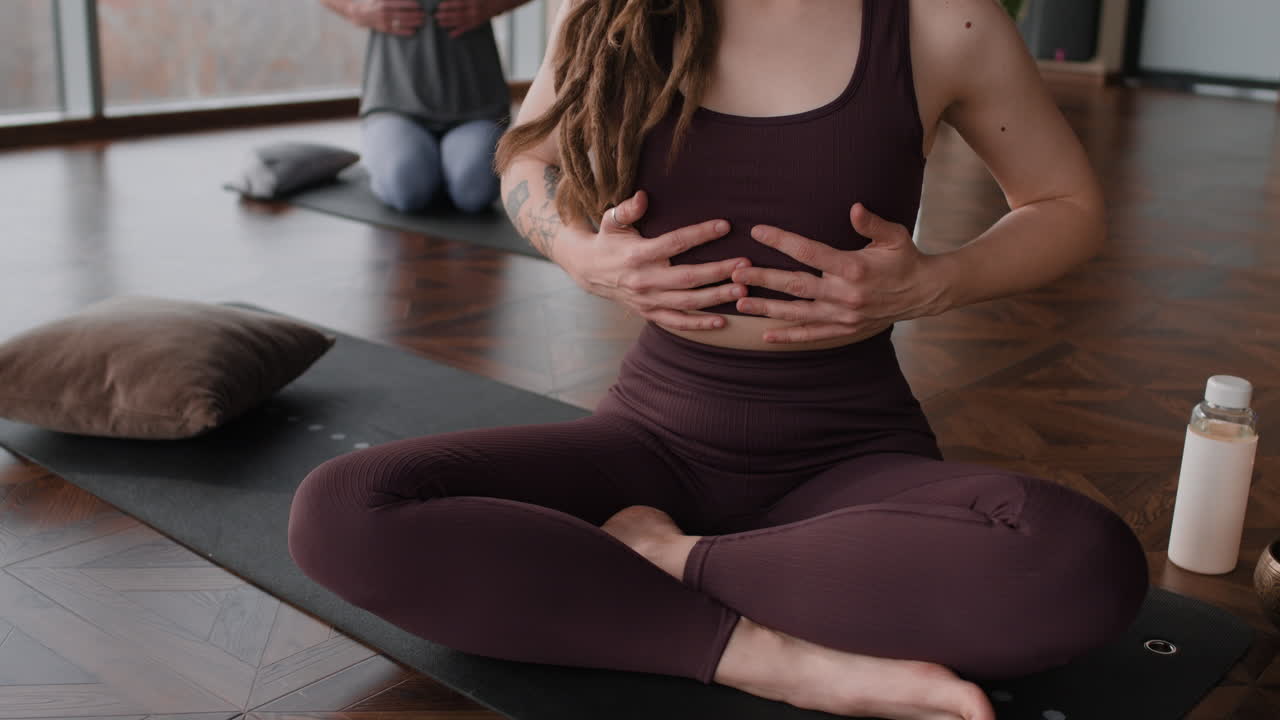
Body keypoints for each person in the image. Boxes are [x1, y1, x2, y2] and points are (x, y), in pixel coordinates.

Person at [289, 1, 1150, 718]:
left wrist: (934, 283)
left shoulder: (939, 20)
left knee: (1080, 563)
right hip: (649, 441)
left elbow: (1065, 204)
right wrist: (578, 251)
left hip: (852, 456)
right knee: (343, 511)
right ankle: (775, 658)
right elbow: (527, 155)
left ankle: (660, 562)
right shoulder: (607, 5)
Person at [319, 0, 536, 213]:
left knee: (474, 193)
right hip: (394, 100)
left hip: (475, 102)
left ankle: (437, 168)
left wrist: (490, 5)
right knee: (406, 188)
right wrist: (358, 9)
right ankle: (422, 165)